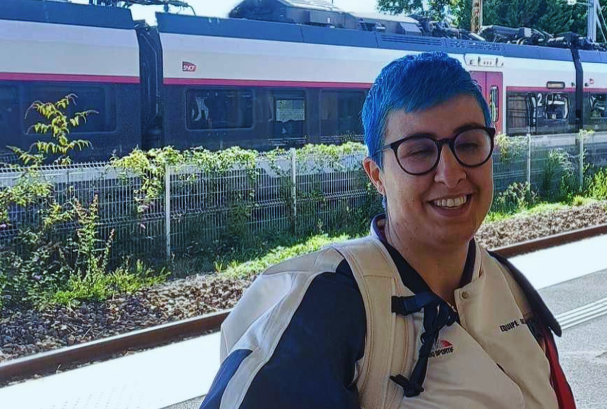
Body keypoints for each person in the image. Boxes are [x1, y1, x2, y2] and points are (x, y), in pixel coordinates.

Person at [199, 52, 576, 409]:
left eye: (469, 144)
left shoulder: (509, 285)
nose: (450, 173)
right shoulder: (328, 305)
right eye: (419, 151)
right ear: (376, 175)